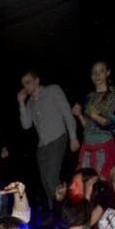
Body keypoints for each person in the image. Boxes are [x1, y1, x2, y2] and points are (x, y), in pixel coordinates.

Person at [18, 70, 79, 210]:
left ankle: (63, 212)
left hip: (57, 138)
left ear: (37, 80)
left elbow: (66, 112)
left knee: (51, 178)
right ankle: (56, 211)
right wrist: (21, 103)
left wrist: (73, 137)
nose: (25, 86)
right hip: (42, 146)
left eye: (28, 82)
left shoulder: (53, 90)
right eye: (23, 84)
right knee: (46, 182)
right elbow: (26, 125)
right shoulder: (30, 103)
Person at [72, 61, 115, 181]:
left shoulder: (114, 94)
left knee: (100, 183)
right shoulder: (90, 96)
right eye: (94, 72)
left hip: (103, 147)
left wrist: (95, 116)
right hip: (87, 147)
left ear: (108, 73)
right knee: (85, 183)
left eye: (101, 71)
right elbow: (88, 126)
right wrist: (79, 115)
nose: (97, 75)